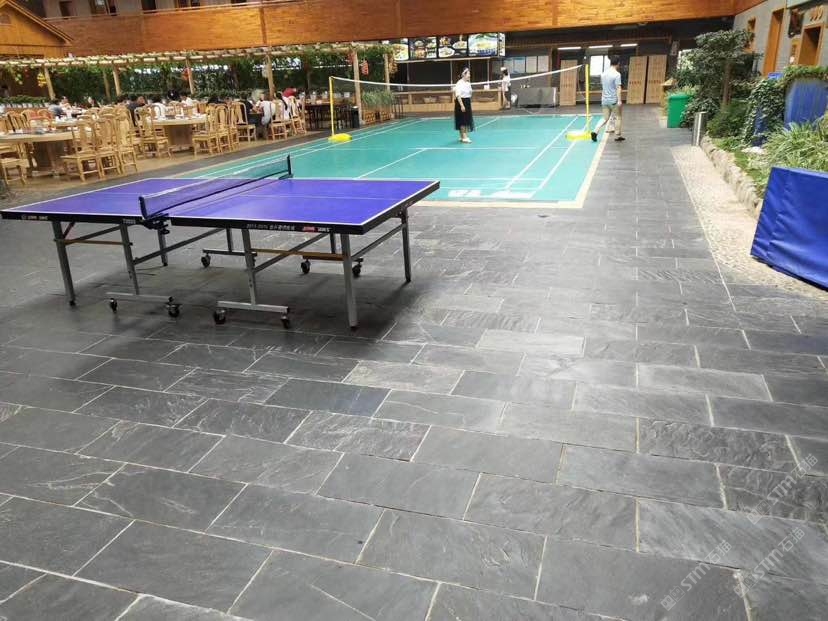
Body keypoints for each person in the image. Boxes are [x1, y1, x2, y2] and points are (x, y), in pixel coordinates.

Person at [592, 56, 624, 142]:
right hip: (613, 100)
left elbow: (603, 87)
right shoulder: (617, 74)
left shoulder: (603, 74)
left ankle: (595, 131)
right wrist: (619, 100)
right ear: (618, 63)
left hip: (604, 100)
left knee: (605, 118)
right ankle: (618, 135)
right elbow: (618, 88)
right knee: (618, 117)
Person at [454, 67, 474, 143]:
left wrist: (471, 92)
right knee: (462, 120)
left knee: (466, 119)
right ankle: (464, 137)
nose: (469, 75)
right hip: (461, 102)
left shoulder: (468, 83)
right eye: (468, 74)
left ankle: (462, 136)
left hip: (467, 102)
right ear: (464, 74)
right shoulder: (459, 83)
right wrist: (462, 105)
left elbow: (470, 94)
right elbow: (458, 95)